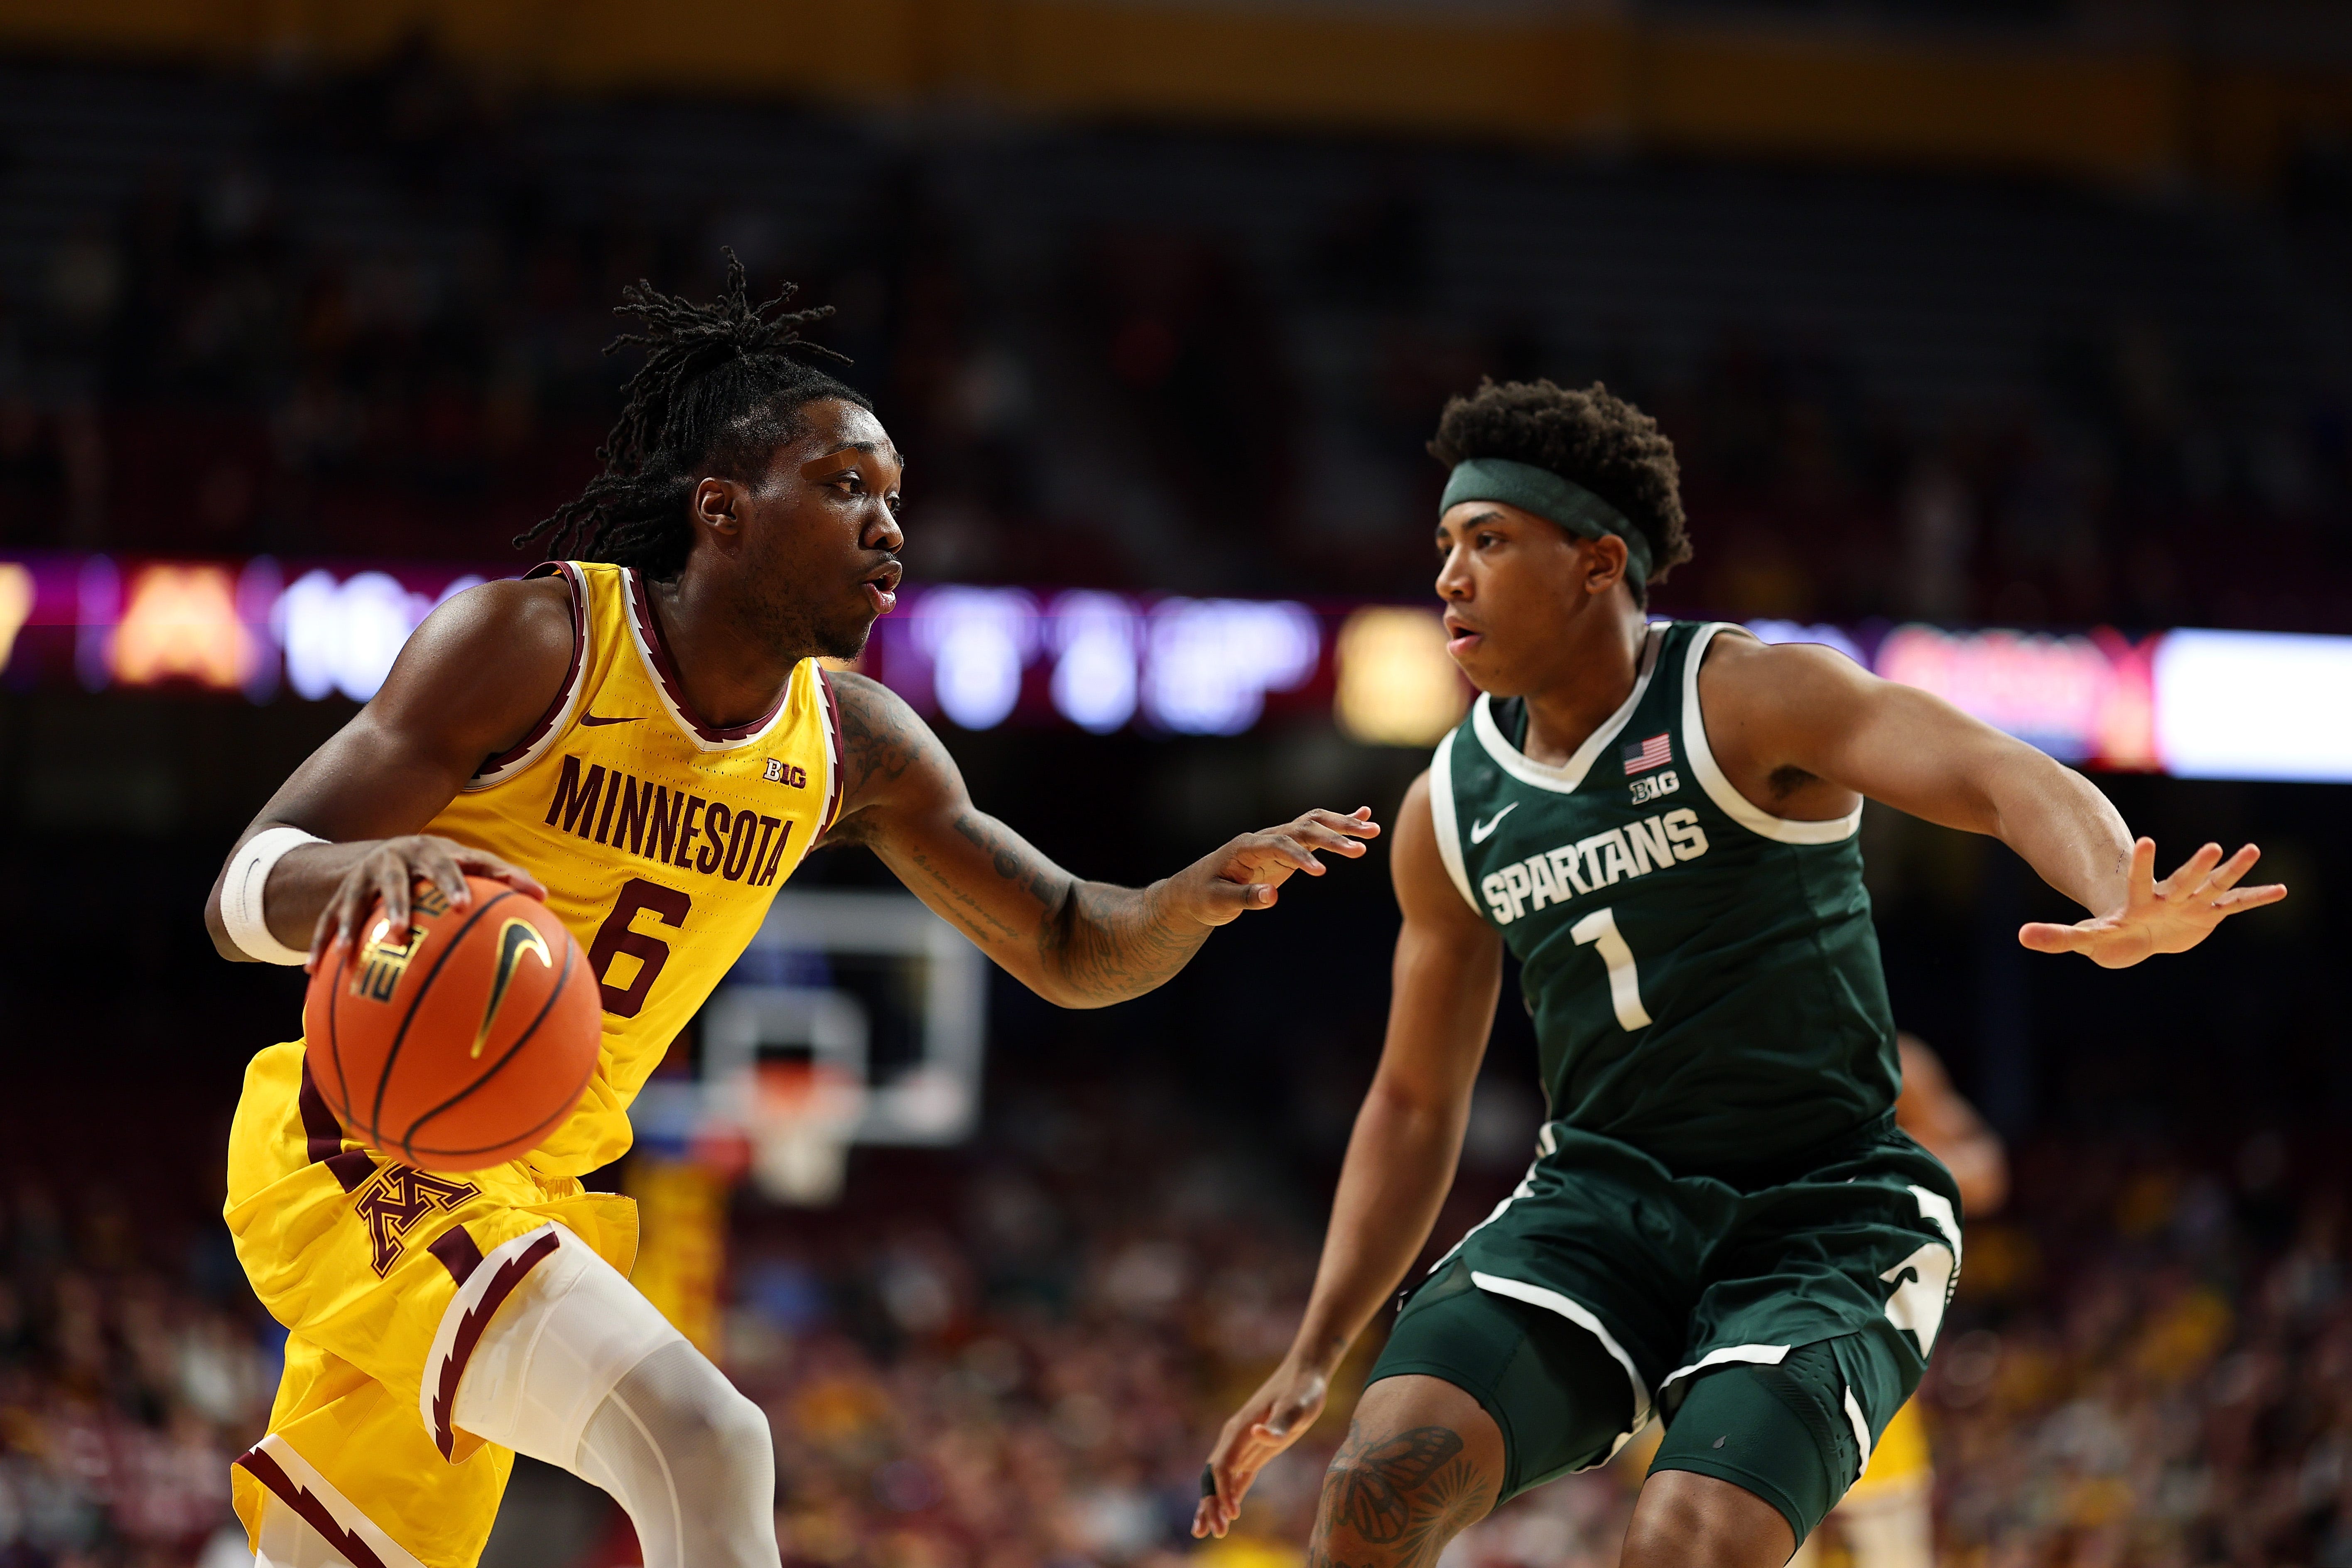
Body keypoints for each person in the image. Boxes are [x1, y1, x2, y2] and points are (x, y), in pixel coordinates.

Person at [203, 257, 1378, 1568]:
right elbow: (242, 886)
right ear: (723, 511)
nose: (887, 527)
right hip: (360, 1138)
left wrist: (1185, 899)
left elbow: (1064, 943)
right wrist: (348, 880)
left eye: (893, 498)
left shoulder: (856, 748)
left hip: (531, 1170)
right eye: (843, 489)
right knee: (708, 1439)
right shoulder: (535, 645)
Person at [1191, 377, 2281, 1568]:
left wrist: (2108, 882)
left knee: (1690, 1539)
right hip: (1598, 1205)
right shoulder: (1443, 808)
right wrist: (1312, 1352)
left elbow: (1991, 771)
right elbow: (1410, 1102)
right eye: (1443, 545)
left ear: (1597, 562)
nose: (1448, 576)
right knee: (1374, 1495)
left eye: (1488, 542)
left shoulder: (1745, 700)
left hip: (1822, 1211)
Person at [1792, 1034, 2008, 1568]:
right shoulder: (1725, 1063)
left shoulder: (1892, 1062)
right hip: (1757, 1342)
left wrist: (1895, 1177)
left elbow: (1985, 1173)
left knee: (1894, 1552)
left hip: (1864, 1350)